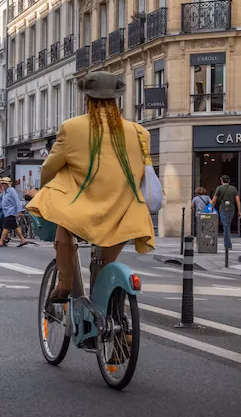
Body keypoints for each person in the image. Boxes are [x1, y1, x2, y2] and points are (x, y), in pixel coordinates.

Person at [25, 72, 155, 304]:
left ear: (88, 98)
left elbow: (50, 168)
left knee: (64, 229)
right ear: (116, 99)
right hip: (124, 214)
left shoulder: (72, 128)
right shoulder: (140, 133)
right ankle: (114, 319)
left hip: (82, 212)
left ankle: (64, 285)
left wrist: (48, 192)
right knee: (106, 268)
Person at [212, 175, 239, 251]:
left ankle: (228, 245)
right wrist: (239, 211)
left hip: (223, 209)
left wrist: (212, 208)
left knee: (226, 227)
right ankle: (228, 244)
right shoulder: (233, 188)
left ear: (222, 181)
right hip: (232, 209)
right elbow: (237, 200)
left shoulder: (219, 188)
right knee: (228, 225)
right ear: (229, 181)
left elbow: (214, 199)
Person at [0, 177, 22, 247]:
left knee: (6, 227)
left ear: (7, 184)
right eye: (2, 184)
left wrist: (19, 211)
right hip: (6, 212)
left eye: (4, 184)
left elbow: (17, 201)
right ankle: (23, 240)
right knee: (16, 226)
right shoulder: (4, 191)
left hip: (11, 212)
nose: (2, 185)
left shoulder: (11, 191)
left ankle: (0, 242)